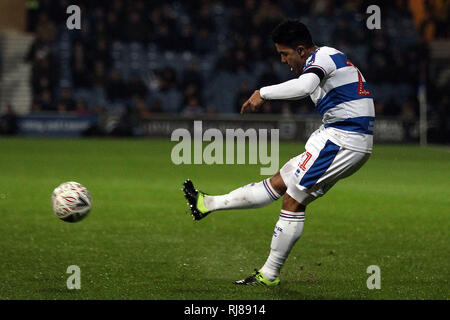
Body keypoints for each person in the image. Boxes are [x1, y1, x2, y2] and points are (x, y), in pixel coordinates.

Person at [183, 19, 375, 286]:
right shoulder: (323, 60)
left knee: (293, 200)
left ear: (301, 49)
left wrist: (263, 92)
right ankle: (207, 203)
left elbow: (304, 87)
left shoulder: (324, 56)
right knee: (280, 182)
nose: (284, 60)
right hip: (334, 135)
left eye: (285, 54)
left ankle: (268, 274)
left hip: (344, 139)